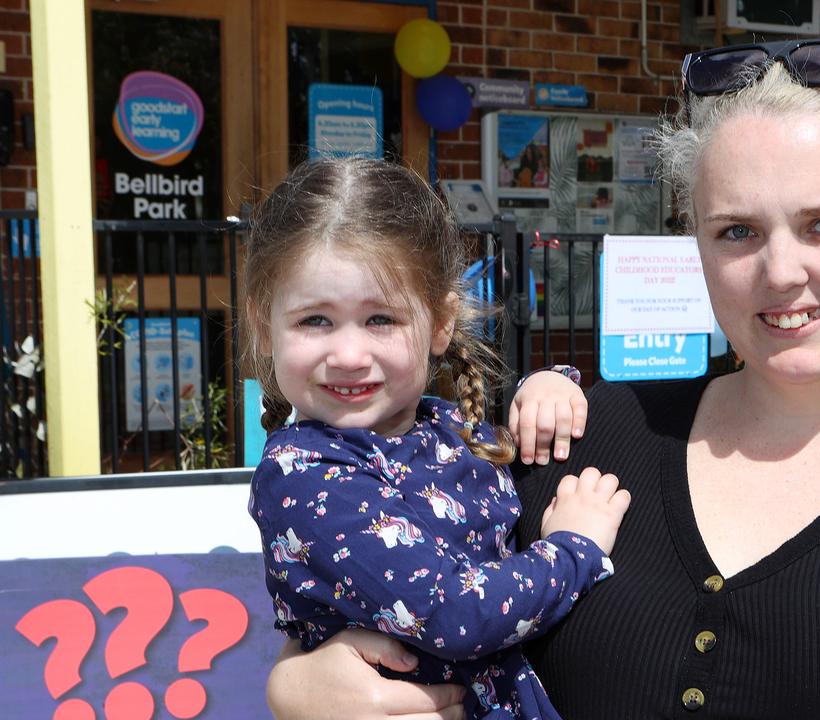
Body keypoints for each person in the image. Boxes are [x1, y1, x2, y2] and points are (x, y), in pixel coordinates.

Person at [265, 39, 820, 720]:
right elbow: (386, 587)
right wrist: (296, 684)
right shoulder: (584, 439)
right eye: (737, 231)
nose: (781, 271)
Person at [242, 158, 631, 719]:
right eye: (314, 321)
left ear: (441, 322)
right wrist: (574, 548)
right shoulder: (302, 475)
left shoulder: (440, 426)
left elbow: (514, 460)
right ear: (264, 325)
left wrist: (547, 389)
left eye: (381, 319)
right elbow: (456, 616)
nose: (348, 356)